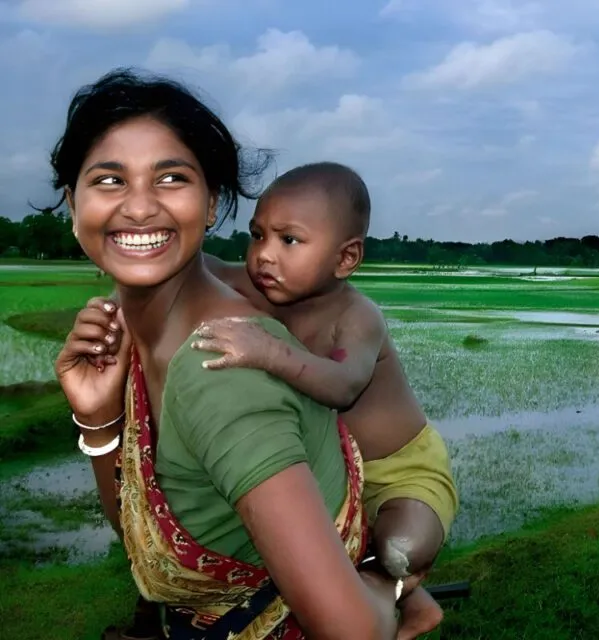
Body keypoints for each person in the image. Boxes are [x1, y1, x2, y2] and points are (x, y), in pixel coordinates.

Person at [52, 68, 400, 639]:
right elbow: (149, 550)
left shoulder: (221, 368)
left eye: (170, 179)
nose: (138, 208)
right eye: (109, 180)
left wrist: (391, 588)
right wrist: (98, 420)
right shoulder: (130, 323)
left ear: (212, 203)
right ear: (74, 202)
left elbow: (354, 630)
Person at [194, 162, 459, 640]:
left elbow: (343, 386)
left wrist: (271, 352)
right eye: (257, 236)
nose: (264, 256)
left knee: (400, 548)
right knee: (303, 539)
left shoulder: (357, 317)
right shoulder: (265, 288)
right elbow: (205, 269)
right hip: (335, 470)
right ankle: (405, 596)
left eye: (288, 240)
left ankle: (391, 590)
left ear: (345, 258)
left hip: (400, 470)